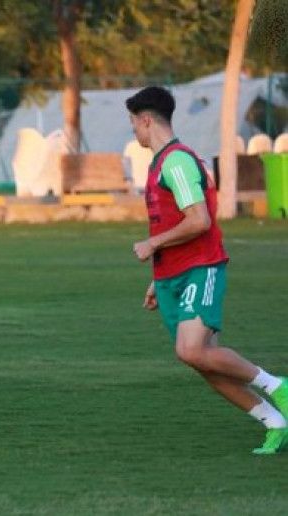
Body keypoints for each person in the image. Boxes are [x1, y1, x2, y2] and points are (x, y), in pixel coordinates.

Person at [127, 85, 288, 455]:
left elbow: (198, 220)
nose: (133, 131)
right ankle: (274, 421)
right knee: (203, 361)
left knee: (191, 350)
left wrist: (152, 245)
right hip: (173, 275)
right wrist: (159, 274)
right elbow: (169, 219)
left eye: (134, 123)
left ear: (146, 120)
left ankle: (276, 384)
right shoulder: (162, 162)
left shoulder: (176, 161)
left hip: (201, 268)